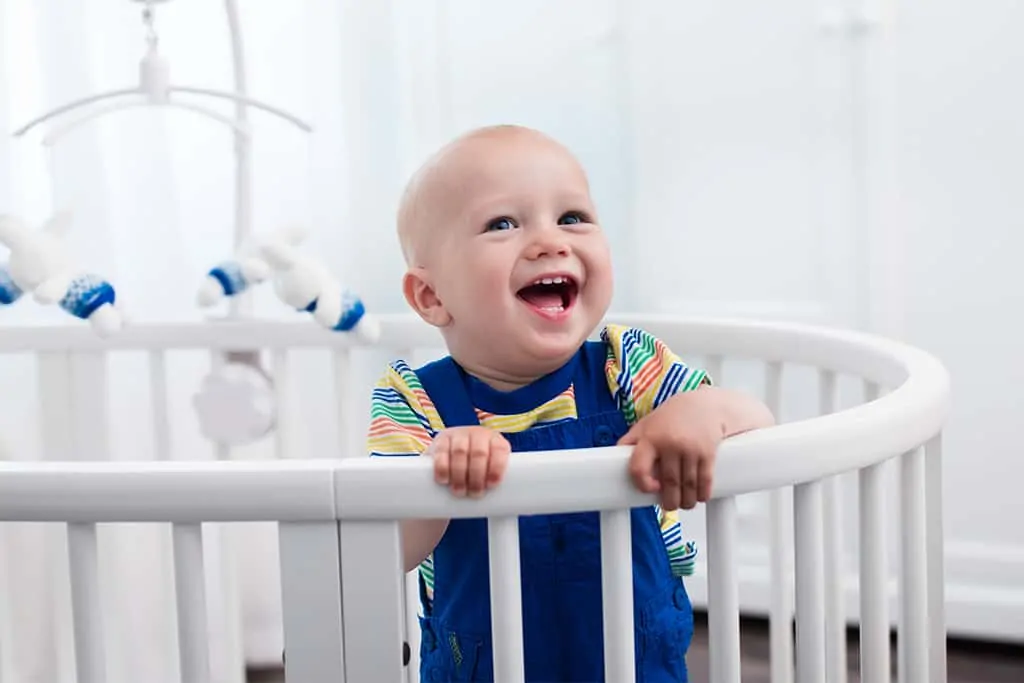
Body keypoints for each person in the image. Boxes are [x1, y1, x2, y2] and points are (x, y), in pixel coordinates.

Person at [367, 124, 775, 682]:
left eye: (572, 218)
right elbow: (387, 549)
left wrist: (701, 411)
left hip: (635, 664)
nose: (550, 242)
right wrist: (439, 478)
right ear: (432, 296)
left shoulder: (627, 366)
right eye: (502, 224)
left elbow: (758, 424)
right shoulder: (416, 402)